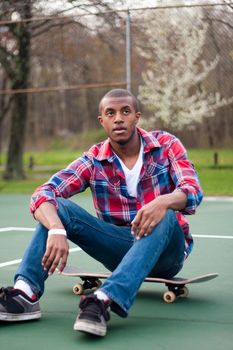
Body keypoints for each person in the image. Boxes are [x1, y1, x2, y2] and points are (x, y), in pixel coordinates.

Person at [0, 89, 203, 336]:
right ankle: (25, 294)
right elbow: (44, 193)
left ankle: (103, 300)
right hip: (119, 248)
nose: (118, 118)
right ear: (102, 121)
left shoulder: (166, 145)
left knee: (165, 214)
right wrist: (55, 227)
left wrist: (163, 202)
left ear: (136, 117)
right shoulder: (94, 159)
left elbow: (192, 190)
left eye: (125, 112)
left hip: (167, 253)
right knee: (58, 207)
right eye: (111, 113)